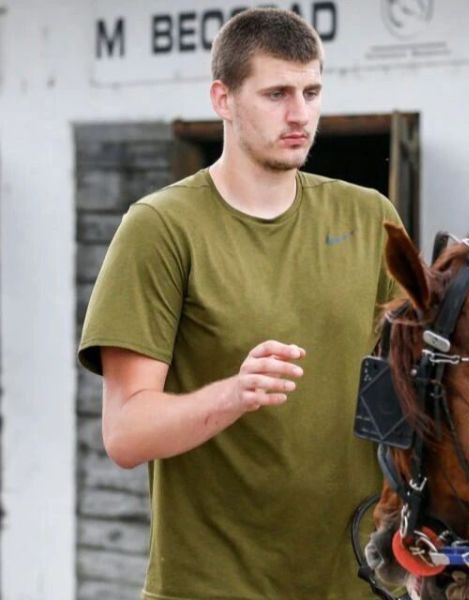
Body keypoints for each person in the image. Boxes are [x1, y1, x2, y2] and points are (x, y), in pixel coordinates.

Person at [78, 8, 401, 599]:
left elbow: (410, 398)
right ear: (222, 99)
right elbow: (125, 433)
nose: (300, 113)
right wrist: (233, 394)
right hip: (211, 586)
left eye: (311, 91)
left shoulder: (370, 216)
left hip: (359, 584)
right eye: (276, 93)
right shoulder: (160, 227)